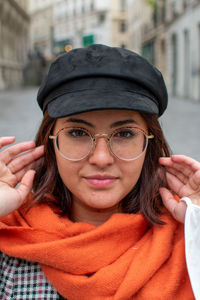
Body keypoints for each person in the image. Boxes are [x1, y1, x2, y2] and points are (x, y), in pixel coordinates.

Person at [0, 44, 199, 300]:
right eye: (78, 133)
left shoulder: (190, 240)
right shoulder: (10, 247)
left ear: (149, 143)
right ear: (50, 141)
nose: (102, 158)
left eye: (125, 133)